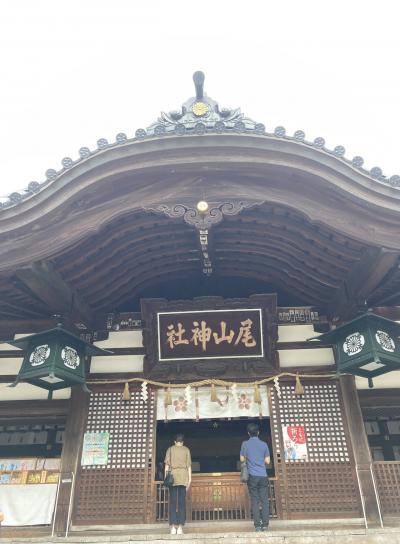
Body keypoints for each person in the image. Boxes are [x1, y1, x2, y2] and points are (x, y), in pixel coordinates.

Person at [240, 422, 270, 532]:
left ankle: (257, 525)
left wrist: (249, 459)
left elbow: (242, 459)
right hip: (263, 475)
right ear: (258, 432)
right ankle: (265, 525)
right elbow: (267, 461)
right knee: (264, 500)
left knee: (255, 500)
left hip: (252, 476)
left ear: (248, 433)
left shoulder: (245, 444)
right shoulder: (264, 444)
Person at [164, 433, 191, 535]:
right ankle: (180, 527)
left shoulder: (170, 449)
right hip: (183, 477)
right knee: (181, 503)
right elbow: (189, 466)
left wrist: (166, 479)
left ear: (175, 441)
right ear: (182, 442)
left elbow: (166, 466)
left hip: (173, 478)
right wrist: (189, 480)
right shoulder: (186, 450)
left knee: (173, 502)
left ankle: (172, 527)